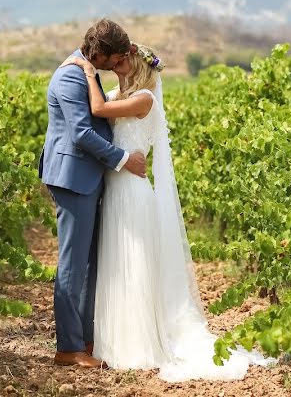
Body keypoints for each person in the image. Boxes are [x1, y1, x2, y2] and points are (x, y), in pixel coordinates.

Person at [59, 43, 273, 381]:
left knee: (134, 263)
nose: (117, 61)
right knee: (115, 264)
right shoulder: (121, 91)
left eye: (124, 58)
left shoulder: (145, 98)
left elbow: (97, 109)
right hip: (113, 189)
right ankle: (110, 338)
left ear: (138, 65)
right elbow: (90, 109)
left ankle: (137, 342)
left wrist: (87, 70)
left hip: (132, 190)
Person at [38, 19, 147, 368]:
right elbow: (82, 133)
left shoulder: (88, 70)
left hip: (86, 177)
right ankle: (67, 348)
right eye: (113, 60)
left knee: (88, 262)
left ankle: (85, 340)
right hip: (72, 178)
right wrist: (123, 159)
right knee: (73, 265)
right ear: (98, 53)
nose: (115, 66)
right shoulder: (71, 75)